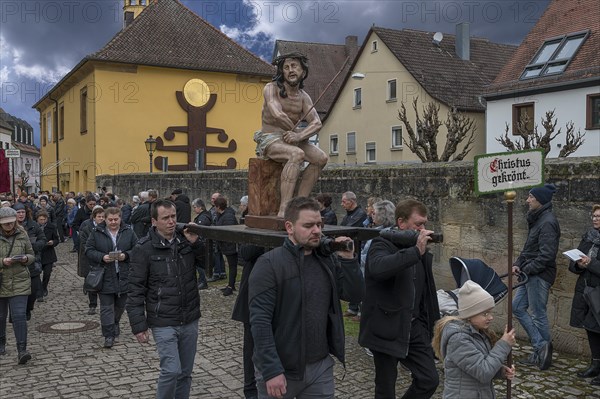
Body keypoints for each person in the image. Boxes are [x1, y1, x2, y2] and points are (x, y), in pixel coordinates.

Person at [249, 197, 364, 399]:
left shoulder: (326, 260)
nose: (317, 230)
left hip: (320, 366)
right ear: (289, 227)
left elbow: (354, 295)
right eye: (309, 225)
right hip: (282, 368)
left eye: (319, 224)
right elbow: (260, 322)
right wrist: (271, 369)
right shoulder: (269, 264)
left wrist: (349, 261)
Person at [359, 199, 440, 399]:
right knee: (385, 388)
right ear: (401, 223)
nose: (423, 229)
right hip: (386, 327)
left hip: (414, 328)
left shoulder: (420, 251)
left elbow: (424, 293)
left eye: (425, 224)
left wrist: (429, 324)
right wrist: (414, 252)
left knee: (429, 379)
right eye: (418, 224)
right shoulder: (381, 243)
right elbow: (378, 268)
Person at [126, 199, 204, 399]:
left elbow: (208, 265)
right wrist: (139, 325)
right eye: (165, 218)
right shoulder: (143, 249)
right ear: (154, 221)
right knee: (171, 370)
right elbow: (135, 288)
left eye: (173, 217)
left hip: (189, 317)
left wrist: (196, 243)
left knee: (185, 373)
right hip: (163, 320)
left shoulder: (185, 241)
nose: (171, 222)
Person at [254, 53, 328, 218]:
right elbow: (277, 114)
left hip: (293, 138)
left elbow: (317, 123)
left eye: (294, 66)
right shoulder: (271, 88)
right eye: (286, 68)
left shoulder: (304, 97)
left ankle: (300, 202)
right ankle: (284, 209)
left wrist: (299, 136)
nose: (290, 70)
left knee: (321, 158)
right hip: (271, 138)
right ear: (282, 72)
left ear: (303, 71)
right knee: (297, 154)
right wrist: (296, 134)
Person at [432, 280, 516, 398]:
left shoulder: (479, 333)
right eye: (485, 314)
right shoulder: (458, 338)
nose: (491, 317)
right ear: (469, 315)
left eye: (490, 312)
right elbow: (483, 372)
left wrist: (500, 371)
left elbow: (479, 364)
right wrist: (504, 344)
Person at [512, 183, 560, 370]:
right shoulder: (537, 219)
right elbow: (528, 248)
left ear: (539, 199)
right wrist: (517, 263)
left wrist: (528, 269)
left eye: (531, 197)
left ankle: (541, 353)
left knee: (539, 314)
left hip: (539, 275)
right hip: (530, 273)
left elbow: (547, 255)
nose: (527, 200)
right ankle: (541, 347)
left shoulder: (547, 222)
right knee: (517, 307)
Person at [85, 207, 138, 348]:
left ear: (120, 218)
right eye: (110, 219)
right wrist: (102, 257)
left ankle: (115, 322)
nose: (113, 222)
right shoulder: (97, 232)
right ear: (105, 219)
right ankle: (108, 335)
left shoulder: (128, 231)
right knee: (106, 307)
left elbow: (138, 249)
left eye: (116, 219)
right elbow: (88, 250)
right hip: (105, 275)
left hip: (124, 275)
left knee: (120, 306)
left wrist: (125, 255)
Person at [569, 204, 600, 384]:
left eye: (598, 216)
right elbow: (575, 261)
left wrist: (591, 263)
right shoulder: (588, 237)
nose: (595, 218)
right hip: (586, 290)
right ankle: (595, 364)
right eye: (594, 216)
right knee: (591, 327)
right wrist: (578, 264)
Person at [0, 207, 35, 364]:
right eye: (5, 223)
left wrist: (25, 259)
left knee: (19, 315)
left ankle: (22, 350)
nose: (8, 226)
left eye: (11, 223)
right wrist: (2, 261)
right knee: (1, 316)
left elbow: (32, 255)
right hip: (1, 280)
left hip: (20, 280)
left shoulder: (22, 234)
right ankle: (1, 343)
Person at [232, 244, 265, 399]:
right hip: (253, 295)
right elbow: (245, 253)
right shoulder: (254, 225)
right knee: (251, 347)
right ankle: (251, 390)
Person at [14, 203, 46, 320]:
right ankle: (17, 313)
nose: (21, 214)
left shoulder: (33, 225)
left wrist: (33, 247)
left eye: (22, 212)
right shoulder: (9, 226)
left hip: (32, 262)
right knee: (16, 291)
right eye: (18, 212)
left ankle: (28, 308)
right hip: (16, 264)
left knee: (33, 290)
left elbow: (43, 239)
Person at [340, 191, 368, 318]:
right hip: (351, 250)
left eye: (344, 201)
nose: (341, 204)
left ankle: (359, 310)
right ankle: (353, 308)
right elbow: (341, 228)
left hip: (357, 250)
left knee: (357, 279)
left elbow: (348, 229)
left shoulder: (360, 215)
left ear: (351, 202)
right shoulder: (348, 215)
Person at [78, 206, 106, 315]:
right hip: (90, 260)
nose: (101, 219)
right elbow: (85, 245)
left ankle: (106, 305)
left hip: (104, 260)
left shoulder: (107, 228)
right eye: (99, 217)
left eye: (103, 217)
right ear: (94, 218)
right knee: (92, 283)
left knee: (105, 284)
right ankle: (92, 305)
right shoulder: (86, 228)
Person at [214, 196, 239, 296]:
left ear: (219, 206)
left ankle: (230, 286)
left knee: (232, 266)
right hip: (226, 246)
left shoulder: (228, 216)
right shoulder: (222, 215)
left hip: (230, 246)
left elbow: (229, 233)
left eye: (215, 206)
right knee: (231, 266)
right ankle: (230, 284)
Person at [35, 211, 59, 301]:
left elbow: (56, 239)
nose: (42, 221)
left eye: (44, 219)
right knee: (37, 274)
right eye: (41, 219)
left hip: (48, 253)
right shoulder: (34, 228)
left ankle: (44, 287)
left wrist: (53, 242)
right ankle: (39, 292)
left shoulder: (51, 227)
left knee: (47, 273)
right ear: (37, 219)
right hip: (38, 253)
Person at [191, 198, 211, 290]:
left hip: (202, 244)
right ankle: (201, 280)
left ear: (200, 207)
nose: (194, 209)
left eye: (195, 207)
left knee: (200, 263)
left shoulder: (203, 217)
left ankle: (203, 281)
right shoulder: (203, 216)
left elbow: (201, 231)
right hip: (201, 243)